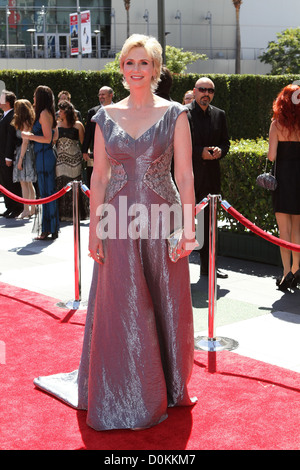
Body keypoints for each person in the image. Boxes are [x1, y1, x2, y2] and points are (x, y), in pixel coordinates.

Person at [34, 34, 197, 431]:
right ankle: (126, 390)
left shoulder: (176, 113)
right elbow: (101, 176)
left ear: (155, 69)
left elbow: (186, 174)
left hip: (162, 218)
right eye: (129, 63)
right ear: (121, 68)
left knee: (165, 297)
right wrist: (94, 231)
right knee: (122, 303)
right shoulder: (104, 117)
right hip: (119, 220)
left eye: (144, 63)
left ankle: (172, 383)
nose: (136, 70)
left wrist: (189, 229)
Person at [187, 77, 230, 278]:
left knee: (209, 226)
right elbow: (176, 146)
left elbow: (225, 142)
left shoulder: (219, 115)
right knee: (183, 223)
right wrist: (199, 152)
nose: (206, 94)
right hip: (187, 177)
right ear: (195, 91)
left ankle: (209, 267)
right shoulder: (183, 114)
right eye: (203, 89)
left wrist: (220, 150)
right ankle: (177, 269)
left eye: (210, 91)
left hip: (211, 178)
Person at [267, 84, 300, 290]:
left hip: (283, 179)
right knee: (297, 228)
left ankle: (286, 272)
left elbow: (272, 156)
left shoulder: (276, 124)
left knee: (284, 230)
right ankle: (297, 269)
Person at [22, 85, 59, 240]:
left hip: (45, 156)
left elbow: (48, 138)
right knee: (47, 192)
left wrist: (29, 136)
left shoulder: (44, 114)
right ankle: (50, 228)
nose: (33, 98)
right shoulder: (48, 113)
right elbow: (54, 136)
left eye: (35, 95)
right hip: (45, 155)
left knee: (46, 193)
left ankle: (47, 230)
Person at [55, 99, 88, 221]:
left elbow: (83, 142)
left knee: (75, 183)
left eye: (61, 110)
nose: (59, 112)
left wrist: (86, 155)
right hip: (61, 158)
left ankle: (76, 213)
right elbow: (53, 142)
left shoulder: (78, 125)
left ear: (67, 112)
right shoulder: (57, 124)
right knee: (61, 183)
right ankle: (62, 214)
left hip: (75, 159)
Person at [81, 86, 114, 188]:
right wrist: (85, 150)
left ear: (111, 95)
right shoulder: (93, 112)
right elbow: (88, 133)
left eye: (103, 94)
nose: (101, 97)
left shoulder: (119, 109)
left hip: (114, 150)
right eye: (99, 95)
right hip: (99, 150)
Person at [12, 99, 37, 219]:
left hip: (25, 153)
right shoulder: (29, 121)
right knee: (29, 182)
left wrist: (20, 160)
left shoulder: (24, 123)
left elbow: (25, 142)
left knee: (24, 183)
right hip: (29, 153)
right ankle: (32, 208)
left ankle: (27, 209)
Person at [0, 90, 23, 218]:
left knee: (11, 182)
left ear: (7, 102)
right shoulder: (4, 115)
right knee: (4, 182)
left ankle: (17, 207)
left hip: (7, 156)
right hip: (1, 155)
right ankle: (9, 206)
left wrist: (8, 157)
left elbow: (10, 139)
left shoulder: (12, 116)